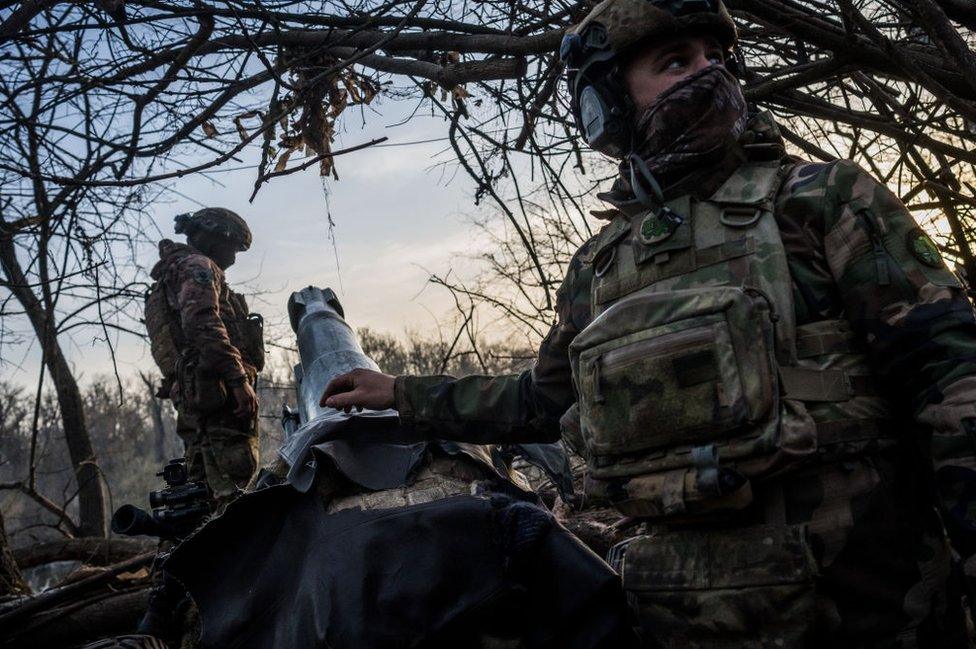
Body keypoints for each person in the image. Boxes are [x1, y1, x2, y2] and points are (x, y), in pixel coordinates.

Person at [319, 0, 976, 646]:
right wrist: (402, 394)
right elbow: (542, 401)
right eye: (674, 60)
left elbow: (949, 381)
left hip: (871, 603)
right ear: (609, 102)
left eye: (718, 57)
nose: (708, 72)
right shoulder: (598, 268)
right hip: (676, 610)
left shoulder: (820, 198)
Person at [145, 207, 264, 509]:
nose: (235, 258)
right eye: (232, 247)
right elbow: (202, 323)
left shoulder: (169, 277)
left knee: (199, 493)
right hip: (219, 396)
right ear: (211, 238)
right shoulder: (198, 266)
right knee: (230, 490)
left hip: (197, 399)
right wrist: (237, 380)